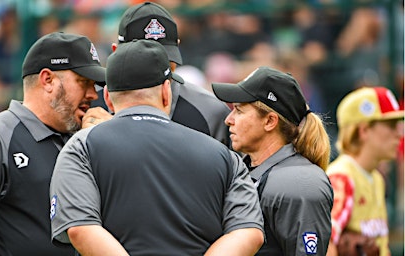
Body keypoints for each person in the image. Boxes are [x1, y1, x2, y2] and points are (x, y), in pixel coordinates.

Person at [50, 39, 265, 256]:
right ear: (166, 91)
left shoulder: (82, 146)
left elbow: (81, 228)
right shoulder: (223, 156)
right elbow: (248, 232)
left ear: (108, 97)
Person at [0, 32, 106, 256]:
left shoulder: (87, 138)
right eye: (83, 82)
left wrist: (106, 145)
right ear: (47, 80)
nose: (92, 94)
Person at [212, 66, 334, 255]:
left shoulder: (299, 182)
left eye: (239, 110)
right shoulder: (244, 165)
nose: (229, 119)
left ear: (270, 121)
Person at [87, 1, 231, 146]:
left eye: (166, 59)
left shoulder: (210, 111)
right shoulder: (88, 103)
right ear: (115, 51)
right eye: (141, 60)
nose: (155, 68)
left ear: (178, 48)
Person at [326, 86, 403, 256]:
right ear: (364, 130)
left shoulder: (376, 178)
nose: (399, 134)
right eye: (391, 125)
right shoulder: (342, 177)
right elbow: (325, 243)